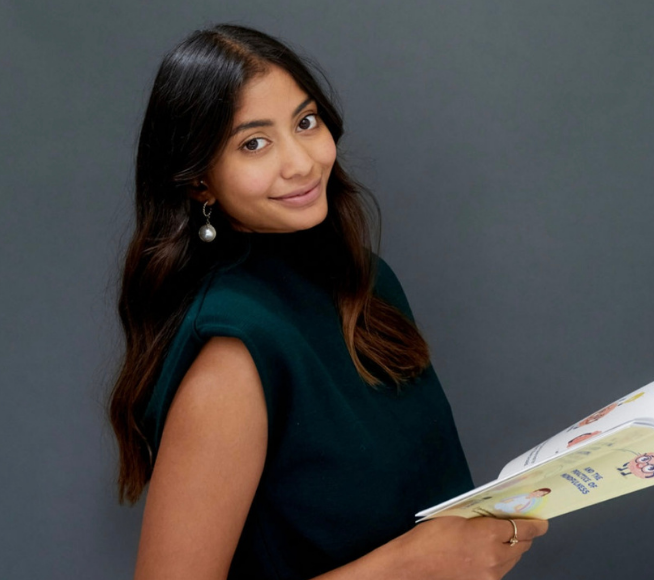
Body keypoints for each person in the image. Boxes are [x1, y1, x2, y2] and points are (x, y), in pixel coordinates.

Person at [107, 23, 549, 580]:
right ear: (200, 184)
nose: (301, 162)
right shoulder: (233, 356)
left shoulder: (363, 280)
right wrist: (410, 566)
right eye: (254, 142)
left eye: (305, 122)